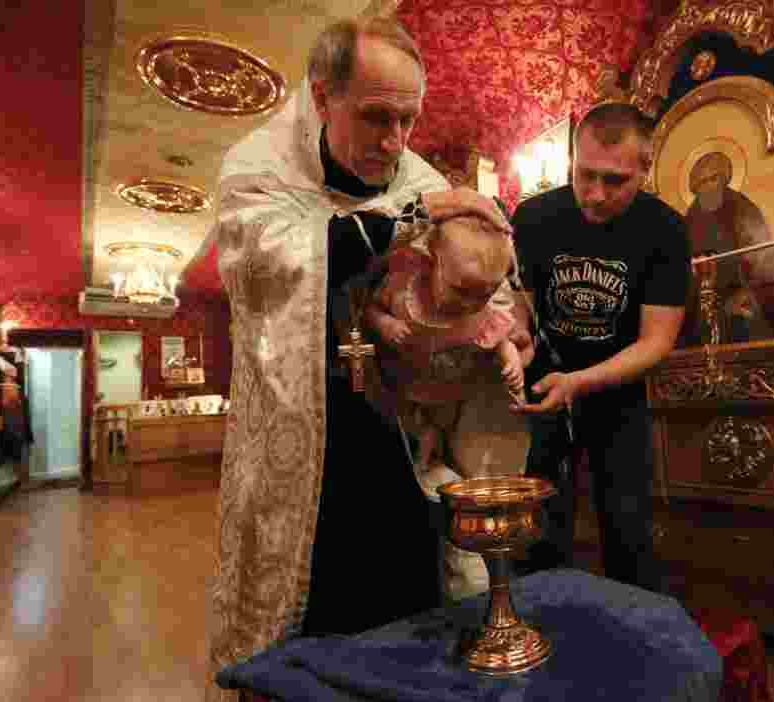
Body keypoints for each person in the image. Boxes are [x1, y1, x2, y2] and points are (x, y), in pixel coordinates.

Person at [206, 17, 511, 701]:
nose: (395, 142)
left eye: (409, 120)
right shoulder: (259, 169)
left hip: (397, 438)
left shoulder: (419, 178)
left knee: (404, 622)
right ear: (322, 97)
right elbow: (280, 267)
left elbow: (484, 290)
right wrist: (416, 217)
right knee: (314, 638)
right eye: (375, 117)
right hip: (304, 443)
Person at [511, 102, 692, 594]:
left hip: (618, 394)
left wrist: (579, 382)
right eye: (584, 175)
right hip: (542, 390)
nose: (594, 194)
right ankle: (539, 633)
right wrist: (518, 342)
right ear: (571, 158)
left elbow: (656, 341)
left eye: (615, 181)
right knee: (539, 528)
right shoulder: (531, 217)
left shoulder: (667, 231)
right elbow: (516, 309)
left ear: (644, 169)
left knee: (627, 528)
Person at [365, 213, 534, 600]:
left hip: (456, 400)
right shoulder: (404, 287)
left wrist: (508, 358)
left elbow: (500, 338)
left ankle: (472, 579)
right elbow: (369, 311)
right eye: (462, 291)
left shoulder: (482, 303)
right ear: (430, 261)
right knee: (420, 467)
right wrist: (385, 325)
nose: (473, 304)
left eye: (485, 294)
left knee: (467, 477)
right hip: (407, 401)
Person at [678, 151, 774, 347]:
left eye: (713, 178)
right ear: (694, 189)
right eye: (702, 183)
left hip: (748, 298)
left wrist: (748, 292)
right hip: (706, 310)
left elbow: (764, 262)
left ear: (725, 179)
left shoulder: (742, 208)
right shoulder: (689, 223)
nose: (708, 187)